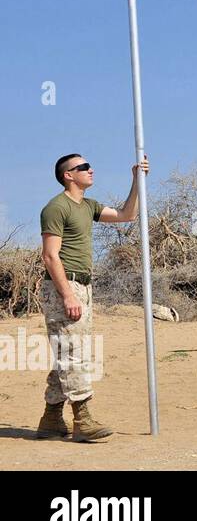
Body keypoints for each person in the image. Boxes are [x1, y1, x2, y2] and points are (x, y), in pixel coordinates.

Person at [38, 153, 150, 441]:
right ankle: (82, 419)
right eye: (83, 167)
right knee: (73, 353)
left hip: (84, 287)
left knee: (70, 352)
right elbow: (50, 256)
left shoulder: (88, 206)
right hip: (64, 287)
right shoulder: (56, 207)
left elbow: (127, 215)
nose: (90, 170)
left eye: (89, 165)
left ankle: (51, 419)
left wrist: (136, 181)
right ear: (68, 175)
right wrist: (67, 296)